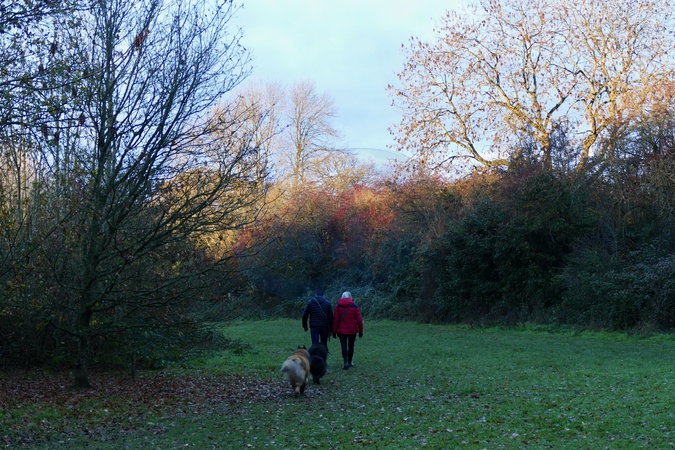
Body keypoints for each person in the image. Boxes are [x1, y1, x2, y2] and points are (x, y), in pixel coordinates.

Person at [331, 291, 364, 370]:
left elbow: (335, 320)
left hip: (341, 330)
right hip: (352, 330)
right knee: (351, 346)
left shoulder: (338, 306)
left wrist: (334, 331)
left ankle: (345, 362)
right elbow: (359, 320)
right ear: (350, 297)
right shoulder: (354, 306)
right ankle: (349, 361)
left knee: (344, 346)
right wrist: (360, 331)